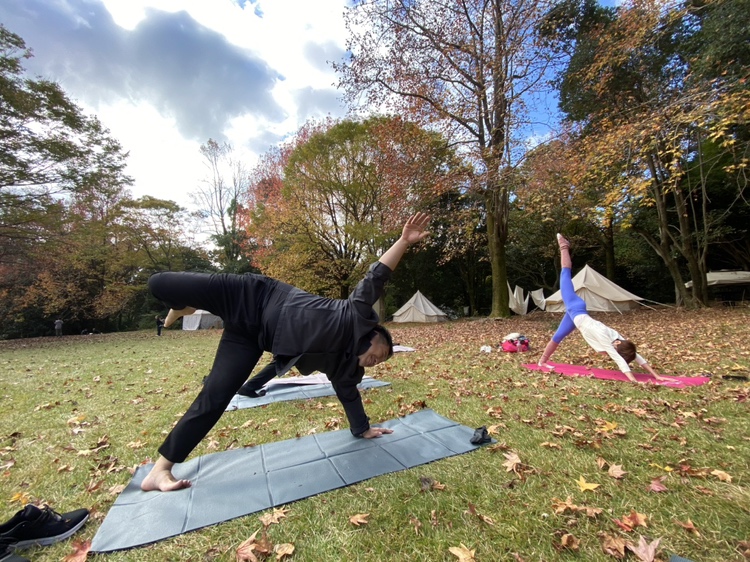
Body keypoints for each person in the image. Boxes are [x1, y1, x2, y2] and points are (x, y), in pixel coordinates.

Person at [140, 212, 432, 492]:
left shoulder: (345, 370)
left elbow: (350, 397)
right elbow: (376, 277)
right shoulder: (354, 313)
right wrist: (404, 241)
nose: (377, 361)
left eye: (379, 363)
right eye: (380, 353)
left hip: (249, 338)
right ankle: (181, 305)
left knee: (216, 395)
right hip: (251, 296)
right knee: (159, 283)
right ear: (372, 334)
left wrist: (364, 429)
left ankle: (159, 471)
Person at [537, 234, 669, 384]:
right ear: (617, 344)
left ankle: (542, 361)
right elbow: (619, 360)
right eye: (616, 350)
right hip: (575, 308)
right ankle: (564, 246)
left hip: (577, 314)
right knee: (565, 273)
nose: (611, 353)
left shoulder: (619, 338)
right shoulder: (609, 340)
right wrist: (633, 380)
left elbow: (637, 356)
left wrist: (656, 376)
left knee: (558, 336)